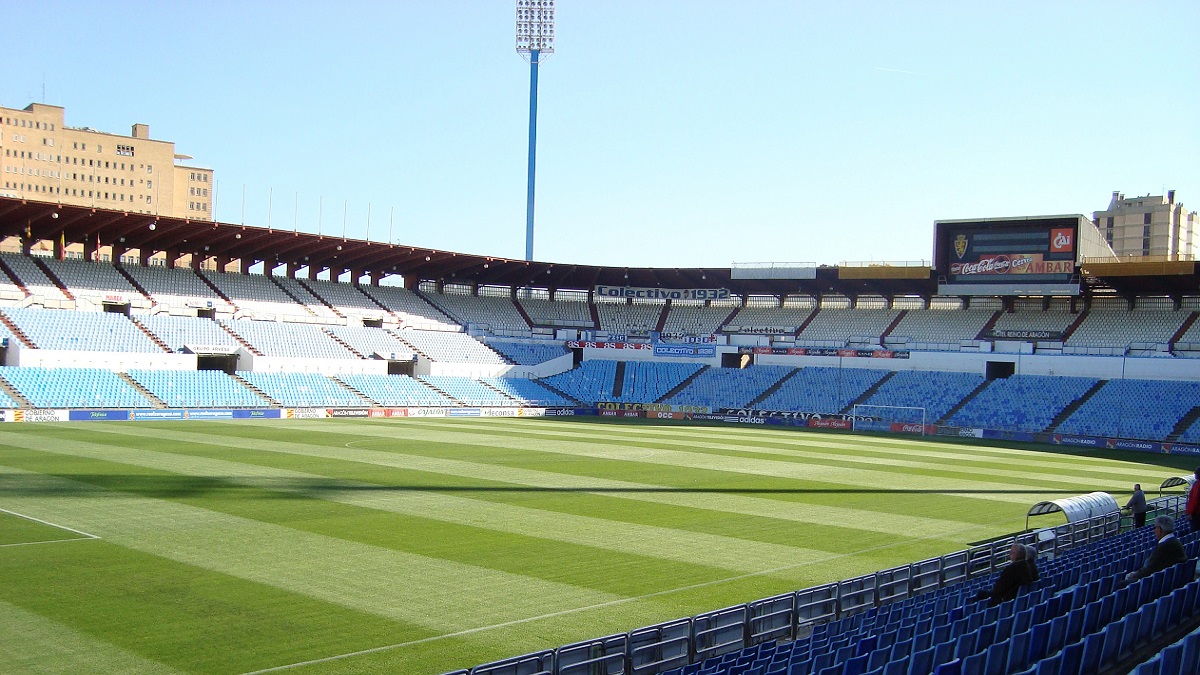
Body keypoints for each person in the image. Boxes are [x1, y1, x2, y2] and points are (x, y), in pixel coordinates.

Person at [1126, 515, 1188, 582]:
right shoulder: (1174, 541)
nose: (1154, 530)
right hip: (1170, 578)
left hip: (1160, 580)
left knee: (1121, 584)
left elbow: (1149, 569)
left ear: (1160, 529)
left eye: (1155, 527)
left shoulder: (1164, 546)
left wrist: (1134, 575)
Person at [1188, 469, 1200, 533]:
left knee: (1194, 532)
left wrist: (1190, 513)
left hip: (1196, 514)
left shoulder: (1198, 484)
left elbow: (1195, 500)